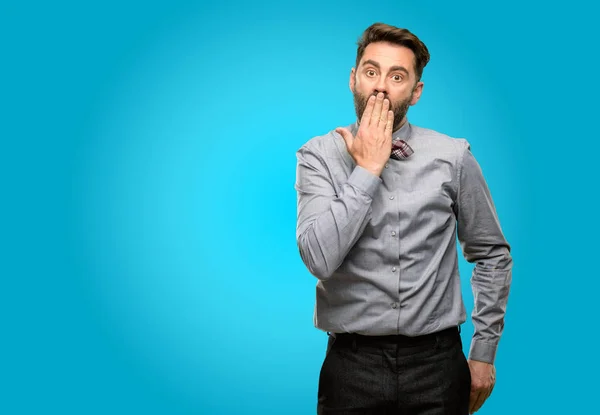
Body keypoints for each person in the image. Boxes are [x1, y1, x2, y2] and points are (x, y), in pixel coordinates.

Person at [295, 22, 513, 415]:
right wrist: (368, 170)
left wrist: (483, 352)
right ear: (353, 79)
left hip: (437, 366)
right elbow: (318, 259)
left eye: (397, 77)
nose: (380, 86)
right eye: (371, 71)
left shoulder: (453, 156)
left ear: (415, 92)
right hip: (351, 366)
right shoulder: (318, 156)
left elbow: (492, 254)